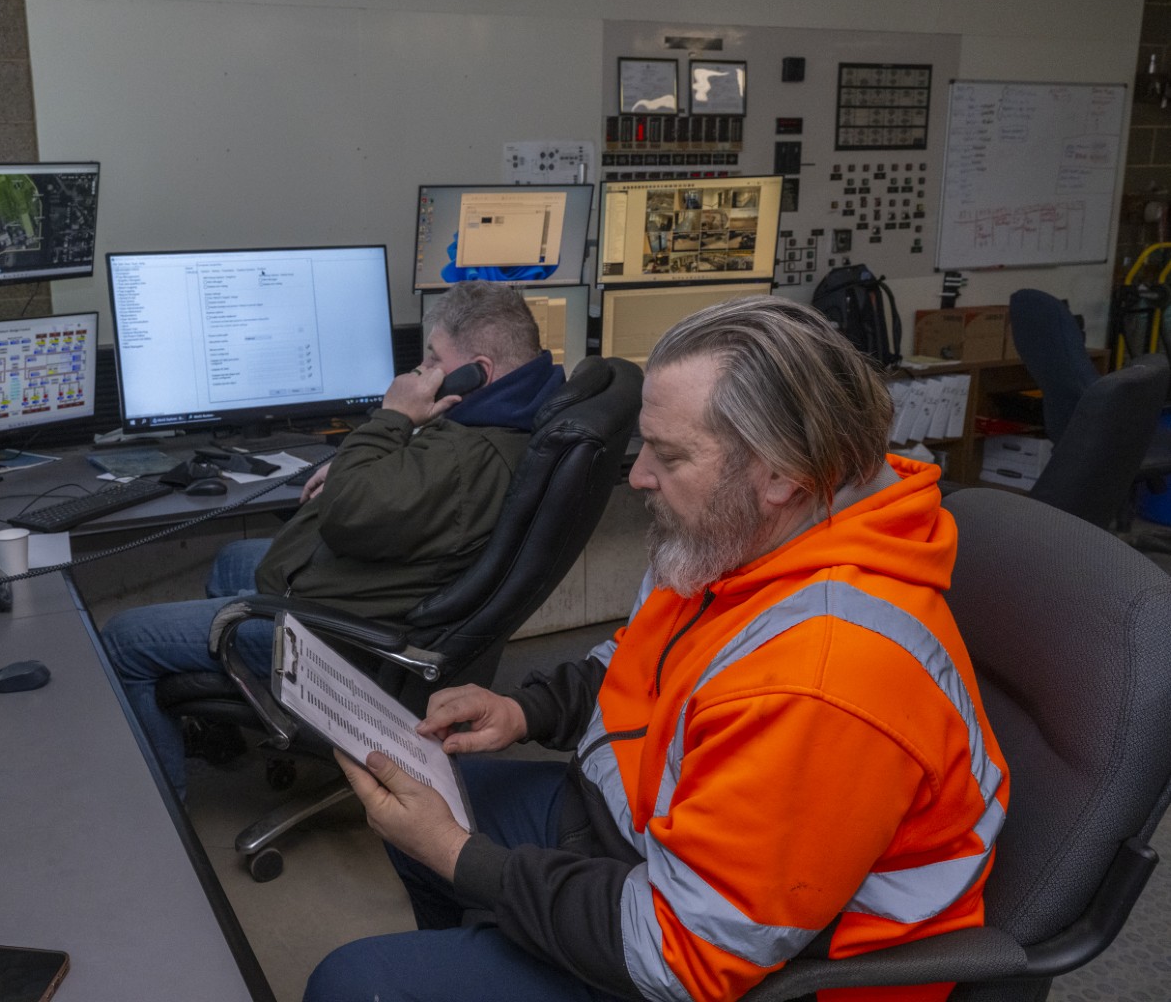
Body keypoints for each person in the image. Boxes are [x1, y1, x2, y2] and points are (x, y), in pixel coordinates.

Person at [307, 295, 1010, 1002]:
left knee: (353, 982)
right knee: (419, 800)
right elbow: (638, 665)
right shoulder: (743, 542)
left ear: (780, 474)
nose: (639, 475)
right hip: (643, 838)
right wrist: (523, 712)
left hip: (726, 960)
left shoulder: (821, 678)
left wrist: (461, 859)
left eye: (668, 455)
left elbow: (684, 956)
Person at [102, 281, 564, 800]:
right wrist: (360, 458)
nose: (420, 372)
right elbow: (399, 489)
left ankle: (163, 820)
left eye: (433, 359)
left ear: (478, 370)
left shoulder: (465, 461)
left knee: (123, 639)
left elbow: (347, 515)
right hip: (376, 591)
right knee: (233, 560)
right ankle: (228, 719)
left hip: (340, 641)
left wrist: (390, 417)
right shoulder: (505, 418)